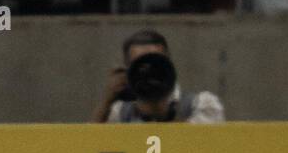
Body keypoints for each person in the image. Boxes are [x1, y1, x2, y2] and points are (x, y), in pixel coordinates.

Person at [97, 29, 226, 123]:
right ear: (128, 70)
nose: (150, 72)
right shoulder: (120, 113)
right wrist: (107, 101)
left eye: (155, 64)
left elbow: (201, 147)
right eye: (141, 66)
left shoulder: (203, 105)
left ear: (168, 64)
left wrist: (162, 110)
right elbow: (90, 149)